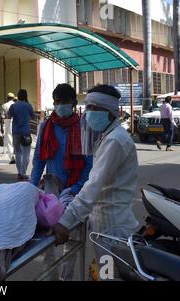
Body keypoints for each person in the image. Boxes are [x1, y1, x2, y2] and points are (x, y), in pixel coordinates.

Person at [51, 85, 139, 280]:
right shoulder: (107, 137)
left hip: (111, 229)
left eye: (93, 108)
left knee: (108, 276)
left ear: (108, 111)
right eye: (87, 107)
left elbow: (93, 186)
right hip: (105, 225)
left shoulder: (115, 141)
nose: (88, 114)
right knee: (108, 274)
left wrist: (66, 220)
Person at [31, 83, 93, 280]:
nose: (60, 106)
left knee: (72, 239)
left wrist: (76, 188)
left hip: (76, 190)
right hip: (51, 190)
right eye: (57, 102)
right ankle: (51, 276)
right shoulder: (46, 126)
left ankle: (66, 277)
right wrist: (32, 190)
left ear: (74, 103)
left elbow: (89, 164)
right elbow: (39, 160)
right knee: (45, 239)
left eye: (64, 102)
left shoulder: (85, 126)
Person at [7, 89, 34, 181]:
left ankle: (19, 173)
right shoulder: (28, 106)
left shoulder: (13, 106)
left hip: (16, 132)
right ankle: (23, 172)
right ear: (26, 96)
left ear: (18, 96)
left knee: (18, 153)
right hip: (26, 133)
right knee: (26, 154)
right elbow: (33, 116)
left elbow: (8, 116)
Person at [1, 92, 16, 163]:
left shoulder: (4, 105)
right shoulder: (16, 105)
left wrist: (1, 127)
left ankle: (12, 157)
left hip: (8, 123)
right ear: (13, 98)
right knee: (16, 139)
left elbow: (2, 117)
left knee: (9, 140)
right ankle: (18, 156)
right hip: (16, 123)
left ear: (7, 98)